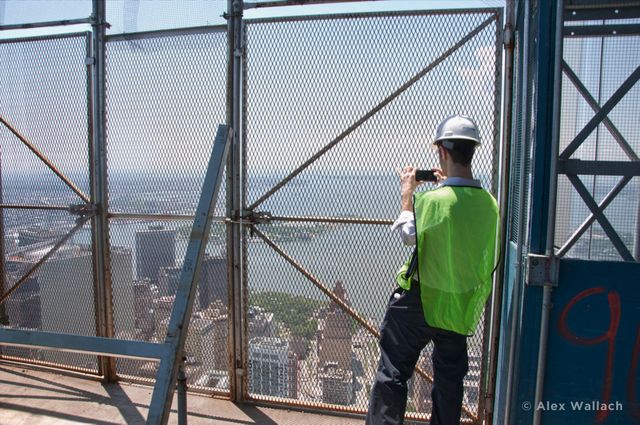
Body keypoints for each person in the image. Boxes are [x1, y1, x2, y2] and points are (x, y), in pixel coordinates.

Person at [365, 115, 499, 425]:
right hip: (458, 305)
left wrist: (406, 195)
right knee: (450, 381)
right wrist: (447, 186)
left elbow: (408, 235)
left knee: (393, 373)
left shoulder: (431, 201)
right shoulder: (489, 204)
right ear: (472, 151)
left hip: (418, 301)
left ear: (442, 152)